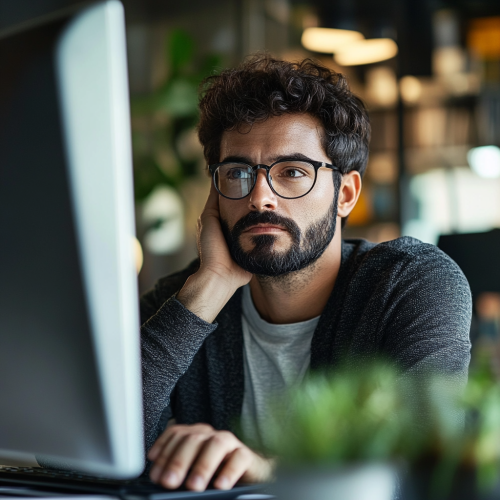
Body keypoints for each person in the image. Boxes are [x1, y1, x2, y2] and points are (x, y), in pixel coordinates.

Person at [140, 55, 472, 492]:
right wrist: (211, 285)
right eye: (238, 172)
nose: (260, 198)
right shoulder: (183, 303)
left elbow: (427, 461)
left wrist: (271, 474)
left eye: (293, 172)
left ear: (346, 194)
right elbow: (86, 454)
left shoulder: (409, 283)